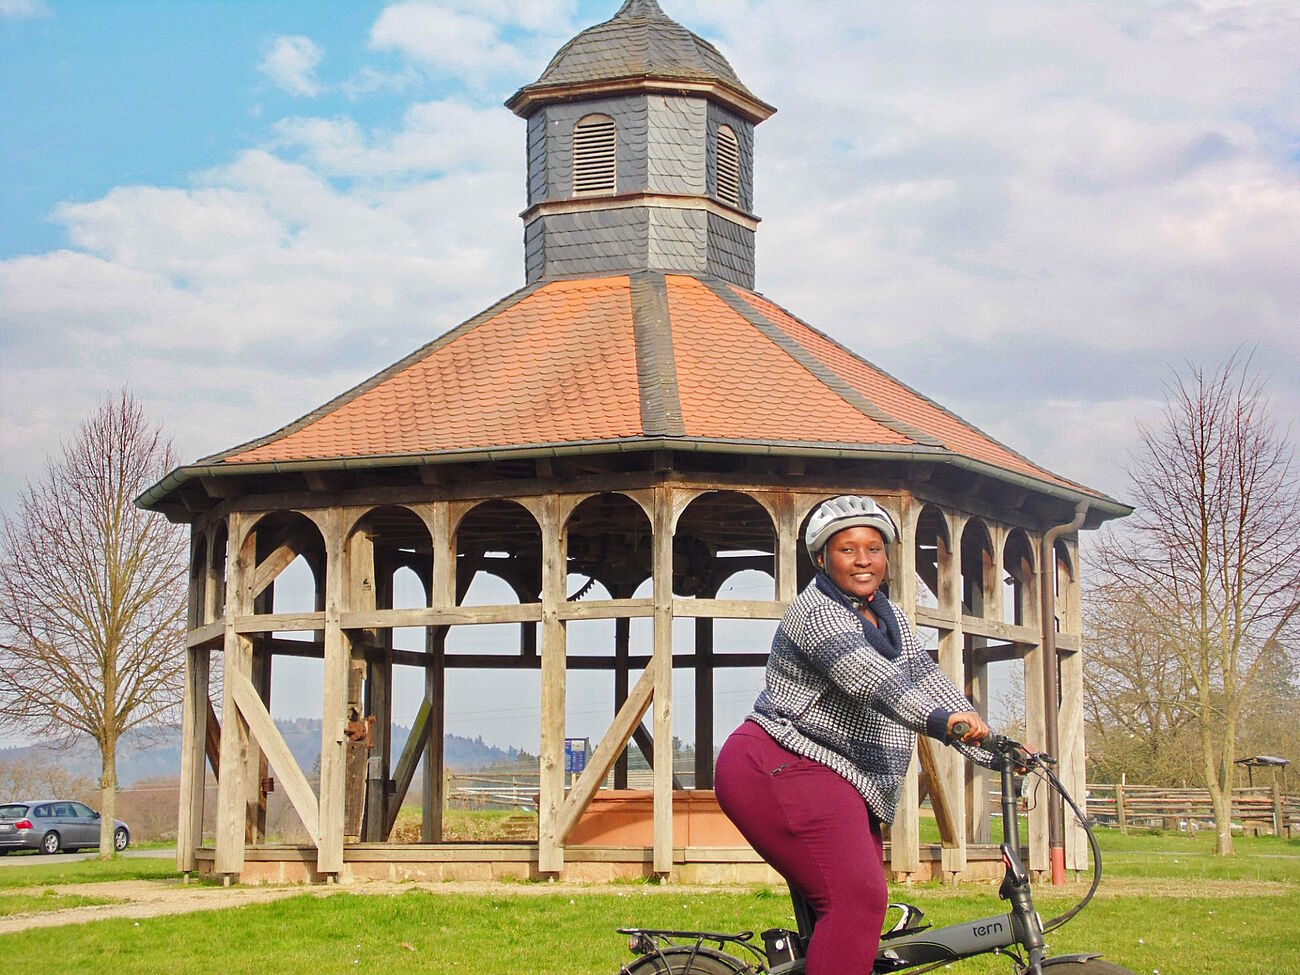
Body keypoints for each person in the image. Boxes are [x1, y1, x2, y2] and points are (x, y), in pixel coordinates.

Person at [714, 495, 995, 974]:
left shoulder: (889, 615)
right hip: (781, 764)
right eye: (847, 549)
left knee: (857, 915)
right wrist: (941, 723)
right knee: (857, 902)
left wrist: (993, 744)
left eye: (874, 548)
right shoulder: (817, 612)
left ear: (887, 557)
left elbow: (923, 679)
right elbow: (874, 681)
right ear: (823, 558)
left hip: (833, 777)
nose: (863, 559)